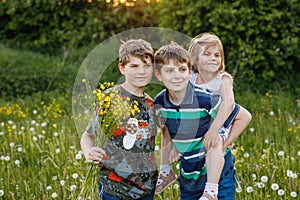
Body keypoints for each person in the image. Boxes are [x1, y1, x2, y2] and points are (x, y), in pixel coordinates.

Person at [153, 42, 251, 200]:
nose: (177, 75)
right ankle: (166, 174)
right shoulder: (160, 102)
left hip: (218, 173)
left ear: (190, 71)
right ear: (159, 75)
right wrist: (173, 151)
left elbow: (243, 116)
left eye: (182, 69)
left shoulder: (204, 98)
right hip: (189, 173)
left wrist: (221, 145)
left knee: (217, 137)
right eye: (169, 71)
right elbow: (167, 131)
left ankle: (211, 191)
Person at [80, 39, 158, 200]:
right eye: (134, 66)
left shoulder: (152, 105)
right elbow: (88, 135)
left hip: (146, 188)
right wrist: (88, 151)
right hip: (114, 187)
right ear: (122, 68)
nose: (142, 71)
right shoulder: (111, 98)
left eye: (146, 65)